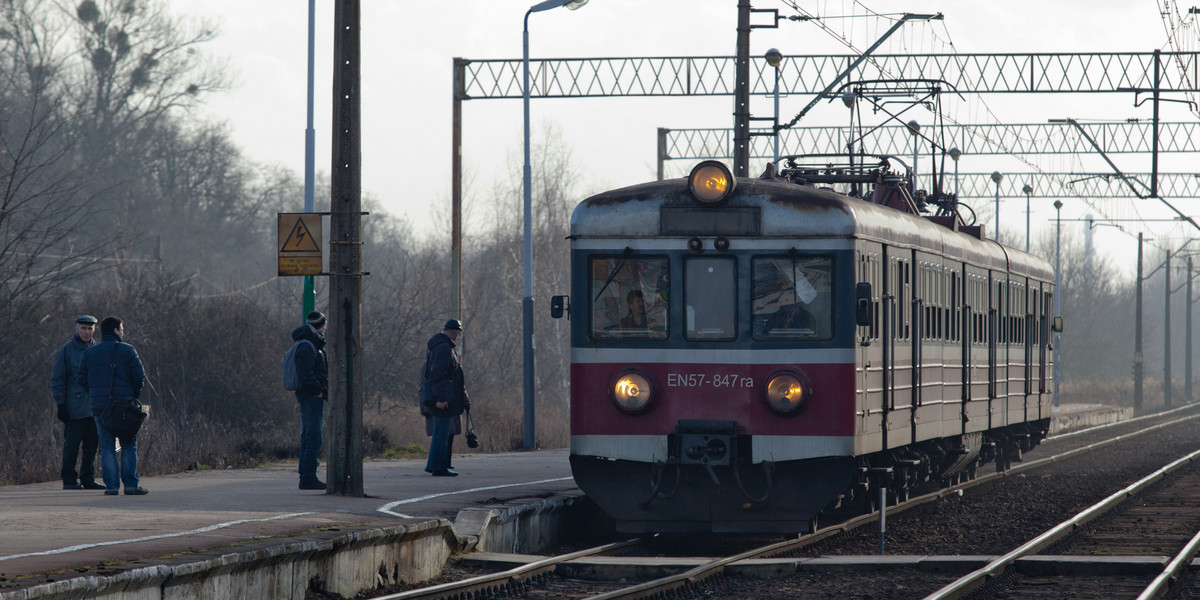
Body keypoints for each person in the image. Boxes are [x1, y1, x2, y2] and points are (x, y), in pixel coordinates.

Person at [77, 317, 147, 496]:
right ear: (116, 330)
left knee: (107, 446)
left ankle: (112, 487)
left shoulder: (90, 352)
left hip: (100, 408)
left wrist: (95, 395)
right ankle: (131, 485)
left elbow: (81, 379)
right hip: (124, 406)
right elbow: (139, 377)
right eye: (121, 329)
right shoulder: (127, 350)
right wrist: (132, 396)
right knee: (129, 444)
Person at [51, 315, 103, 490]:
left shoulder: (99, 349)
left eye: (90, 329)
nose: (87, 332)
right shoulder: (66, 350)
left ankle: (88, 478)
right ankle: (69, 479)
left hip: (95, 407)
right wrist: (61, 404)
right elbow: (58, 379)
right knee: (71, 446)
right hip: (74, 407)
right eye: (83, 328)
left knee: (91, 446)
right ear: (76, 328)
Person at [422, 319, 470, 477]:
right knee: (441, 433)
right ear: (454, 331)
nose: (457, 335)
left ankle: (433, 464)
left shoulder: (438, 346)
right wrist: (441, 399)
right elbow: (438, 375)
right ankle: (438, 467)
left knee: (440, 432)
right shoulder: (444, 348)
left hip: (440, 397)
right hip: (442, 399)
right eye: (457, 332)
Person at [291, 311, 329, 490]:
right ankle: (307, 477)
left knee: (309, 436)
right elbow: (306, 373)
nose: (326, 328)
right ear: (320, 325)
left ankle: (306, 475)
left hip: (309, 396)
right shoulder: (308, 345)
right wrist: (318, 391)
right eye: (324, 324)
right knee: (314, 437)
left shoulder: (308, 343)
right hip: (310, 396)